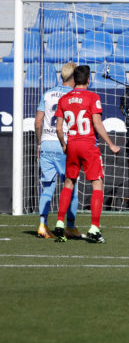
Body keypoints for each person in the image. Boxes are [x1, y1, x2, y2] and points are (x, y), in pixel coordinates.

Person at [53, 65, 121, 243]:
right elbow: (97, 124)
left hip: (72, 144)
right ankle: (94, 228)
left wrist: (64, 145)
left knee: (69, 183)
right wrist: (111, 144)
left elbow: (59, 128)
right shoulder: (93, 97)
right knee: (97, 184)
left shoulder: (64, 99)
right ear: (88, 80)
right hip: (89, 144)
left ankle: (60, 223)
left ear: (74, 80)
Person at [34, 62, 80, 239]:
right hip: (65, 144)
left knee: (47, 188)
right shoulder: (74, 95)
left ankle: (42, 225)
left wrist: (39, 143)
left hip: (46, 144)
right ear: (74, 78)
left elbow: (38, 122)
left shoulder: (47, 94)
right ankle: (70, 226)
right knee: (71, 187)